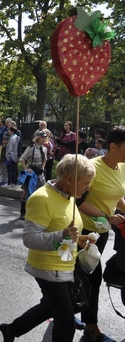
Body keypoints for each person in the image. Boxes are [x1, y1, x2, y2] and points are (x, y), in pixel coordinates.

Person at [0, 154, 96, 342]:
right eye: (85, 182)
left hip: (66, 266)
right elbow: (30, 238)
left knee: (51, 307)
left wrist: (79, 239)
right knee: (65, 322)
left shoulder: (70, 196)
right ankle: (12, 330)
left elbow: (64, 230)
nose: (88, 188)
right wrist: (62, 236)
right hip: (48, 270)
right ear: (69, 179)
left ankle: (11, 330)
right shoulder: (41, 198)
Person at [76, 127, 125, 342]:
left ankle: (61, 309)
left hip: (102, 232)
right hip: (84, 231)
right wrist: (106, 215)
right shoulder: (92, 168)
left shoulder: (122, 167)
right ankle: (90, 324)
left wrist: (120, 211)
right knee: (91, 278)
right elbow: (79, 202)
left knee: (81, 275)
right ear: (113, 146)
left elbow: (117, 197)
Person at [18, 131, 47, 220]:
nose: (44, 139)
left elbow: (45, 159)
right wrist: (26, 169)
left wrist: (42, 167)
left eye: (45, 137)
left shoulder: (44, 149)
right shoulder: (31, 148)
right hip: (32, 174)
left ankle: (36, 212)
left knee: (42, 192)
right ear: (38, 137)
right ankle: (23, 212)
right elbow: (22, 159)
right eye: (42, 137)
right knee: (27, 192)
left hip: (40, 174)